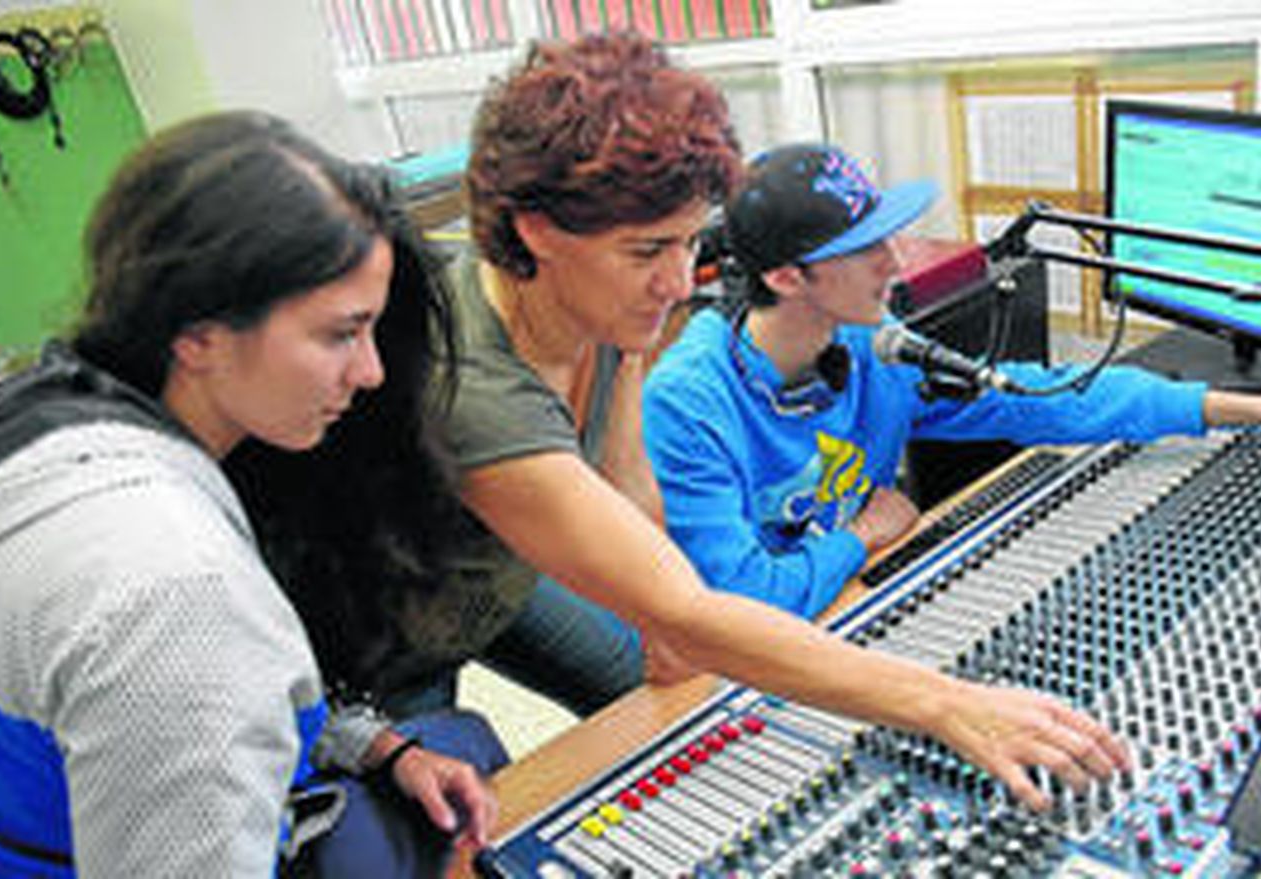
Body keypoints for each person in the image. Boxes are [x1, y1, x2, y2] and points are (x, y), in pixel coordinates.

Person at [370, 30, 1128, 817]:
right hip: (391, 632)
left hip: (509, 573)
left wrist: (659, 619)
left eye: (691, 242)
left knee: (678, 690)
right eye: (648, 251)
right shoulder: (474, 389)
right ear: (537, 231)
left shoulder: (589, 300)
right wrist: (944, 701)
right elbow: (692, 611)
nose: (676, 283)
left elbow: (634, 500)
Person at [0, 111, 494, 879]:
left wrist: (379, 747)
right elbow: (177, 669)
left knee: (454, 741)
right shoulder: (183, 591)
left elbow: (118, 697)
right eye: (341, 334)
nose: (372, 371)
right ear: (197, 332)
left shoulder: (44, 416)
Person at [642, 143, 1261, 618]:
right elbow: (734, 600)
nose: (896, 259)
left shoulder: (871, 352)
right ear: (786, 275)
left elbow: (1051, 398)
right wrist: (857, 536)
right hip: (731, 665)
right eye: (866, 247)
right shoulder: (690, 399)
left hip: (835, 608)